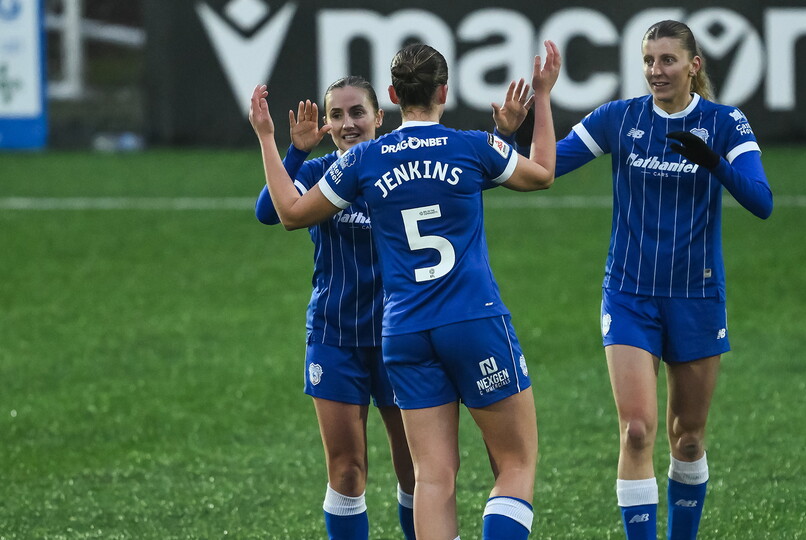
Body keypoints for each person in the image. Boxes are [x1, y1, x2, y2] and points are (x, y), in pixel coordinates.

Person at [249, 41, 560, 540]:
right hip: (470, 318)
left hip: (403, 331)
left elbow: (286, 212)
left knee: (431, 478)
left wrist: (267, 136)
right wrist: (541, 97)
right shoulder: (470, 146)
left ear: (390, 97)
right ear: (444, 91)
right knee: (515, 465)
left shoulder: (364, 161)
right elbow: (542, 173)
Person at [505, 19, 774, 539]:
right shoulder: (620, 118)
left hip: (696, 295)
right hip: (629, 294)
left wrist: (713, 161)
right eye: (649, 60)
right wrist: (527, 118)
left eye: (668, 60)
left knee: (689, 439)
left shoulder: (725, 122)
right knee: (635, 431)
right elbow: (546, 168)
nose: (656, 71)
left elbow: (761, 202)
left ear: (694, 66)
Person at [253, 76, 416, 540]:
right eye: (337, 115)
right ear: (326, 123)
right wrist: (293, 151)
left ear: (379, 118)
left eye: (358, 112)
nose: (348, 124)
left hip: (400, 335)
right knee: (346, 472)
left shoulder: (401, 169)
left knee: (414, 471)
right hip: (334, 336)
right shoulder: (318, 171)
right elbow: (269, 211)